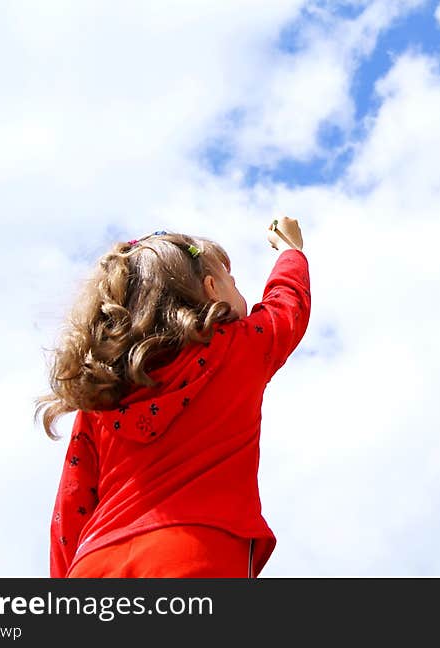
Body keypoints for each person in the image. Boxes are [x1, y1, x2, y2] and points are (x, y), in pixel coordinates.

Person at [36, 217, 310, 578]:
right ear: (213, 289)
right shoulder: (237, 348)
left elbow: (71, 507)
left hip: (94, 562)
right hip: (194, 552)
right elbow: (287, 305)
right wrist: (292, 254)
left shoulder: (104, 394)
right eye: (233, 282)